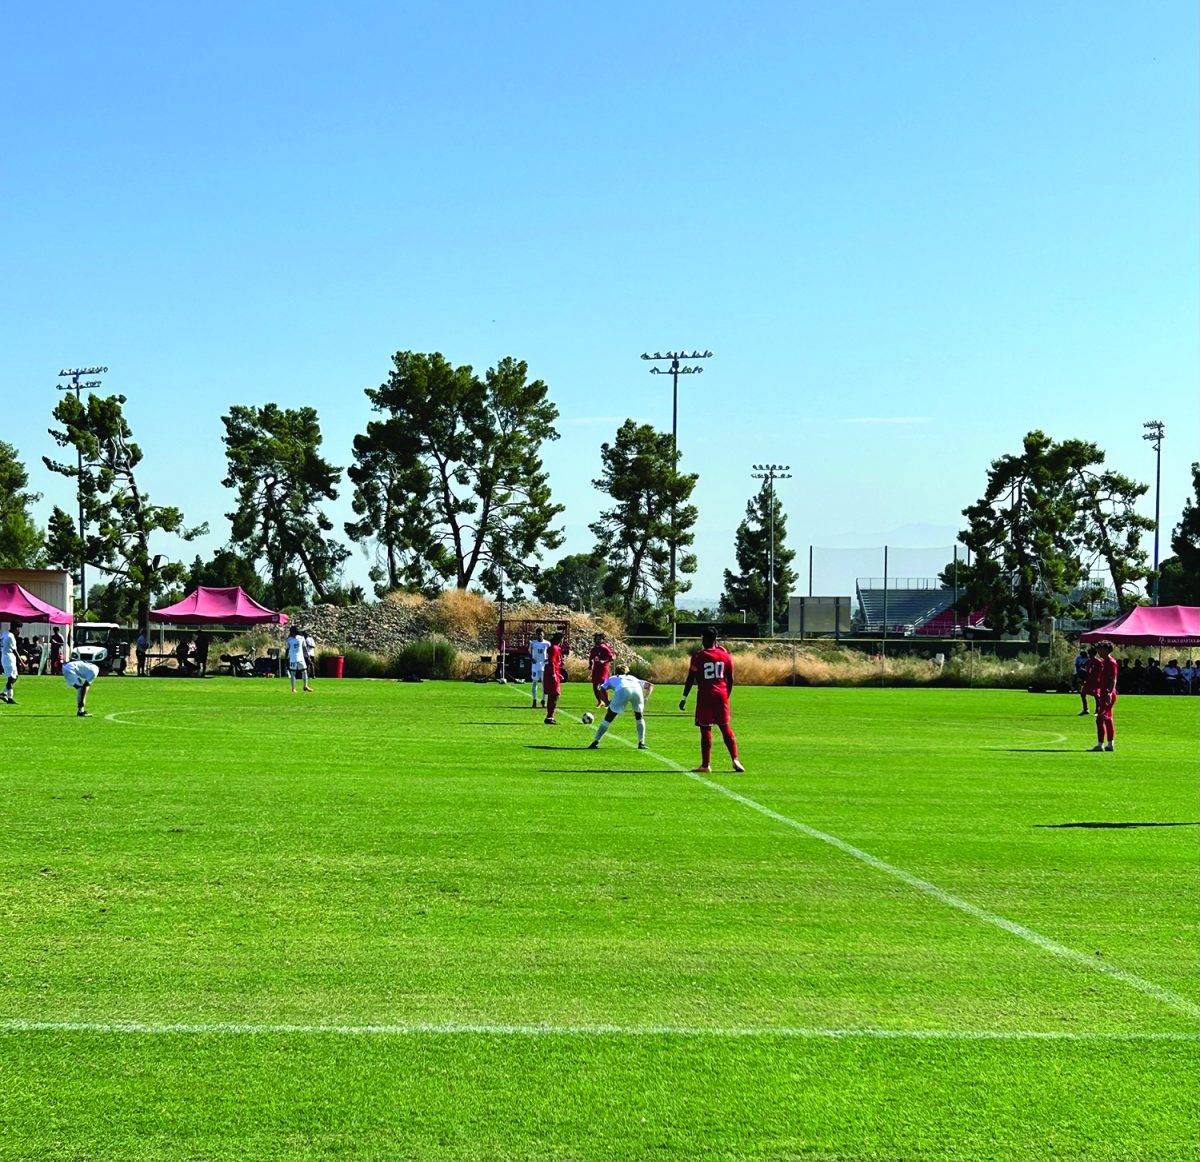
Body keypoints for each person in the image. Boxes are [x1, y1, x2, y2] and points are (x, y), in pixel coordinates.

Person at [679, 626, 745, 773]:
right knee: (724, 726)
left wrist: (684, 697)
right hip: (721, 694)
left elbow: (691, 678)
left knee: (705, 727)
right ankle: (735, 759)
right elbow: (731, 679)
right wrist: (726, 696)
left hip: (705, 695)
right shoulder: (725, 656)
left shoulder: (698, 656)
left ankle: (705, 764)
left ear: (704, 639)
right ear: (716, 639)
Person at [587, 669, 653, 750]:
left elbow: (600, 689)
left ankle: (595, 742)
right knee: (639, 717)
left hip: (623, 689)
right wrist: (646, 698)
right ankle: (641, 743)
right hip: (637, 690)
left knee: (608, 718)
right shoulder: (633, 677)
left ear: (616, 672)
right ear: (626, 672)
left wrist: (606, 702)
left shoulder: (612, 678)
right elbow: (650, 685)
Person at [1089, 639, 1119, 752]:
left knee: (1100, 719)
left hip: (1107, 693)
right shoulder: (1105, 661)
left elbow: (1113, 679)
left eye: (1100, 649)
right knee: (1107, 719)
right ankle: (1110, 744)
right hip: (1105, 693)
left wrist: (1109, 693)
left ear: (1106, 650)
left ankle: (1100, 744)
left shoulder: (1111, 662)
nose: (1098, 651)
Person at [588, 632, 615, 709]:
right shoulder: (594, 649)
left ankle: (607, 702)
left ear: (602, 639)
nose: (598, 640)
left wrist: (604, 661)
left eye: (600, 639)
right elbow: (591, 657)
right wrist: (590, 665)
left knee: (602, 686)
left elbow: (612, 658)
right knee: (594, 687)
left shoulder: (605, 648)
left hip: (603, 670)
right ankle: (600, 701)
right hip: (595, 669)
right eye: (597, 638)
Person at [543, 631, 564, 724]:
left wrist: (558, 674)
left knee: (553, 695)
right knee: (554, 695)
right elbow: (551, 662)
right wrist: (553, 674)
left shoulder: (554, 648)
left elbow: (554, 662)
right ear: (560, 639)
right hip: (551, 674)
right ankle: (549, 717)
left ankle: (549, 717)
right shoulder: (554, 648)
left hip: (553, 673)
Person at [0, 620, 23, 704]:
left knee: (15, 676)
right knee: (11, 678)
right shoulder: (11, 636)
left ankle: (4, 693)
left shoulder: (5, 634)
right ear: (16, 628)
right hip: (9, 658)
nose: (19, 630)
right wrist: (21, 661)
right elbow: (14, 650)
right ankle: (10, 698)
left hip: (5, 657)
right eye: (19, 628)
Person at [286, 627, 312, 693]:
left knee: (304, 671)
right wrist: (286, 658)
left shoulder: (301, 638)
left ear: (293, 632)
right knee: (293, 673)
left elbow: (304, 648)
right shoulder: (289, 640)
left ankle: (305, 686)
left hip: (301, 658)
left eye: (291, 632)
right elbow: (287, 649)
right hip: (293, 658)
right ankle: (293, 688)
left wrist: (308, 656)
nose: (290, 633)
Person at [529, 629, 550, 709]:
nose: (540, 635)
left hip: (544, 665)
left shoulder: (547, 643)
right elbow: (529, 653)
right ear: (536, 635)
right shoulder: (533, 643)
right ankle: (534, 700)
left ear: (543, 634)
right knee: (534, 682)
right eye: (538, 634)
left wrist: (548, 659)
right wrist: (532, 659)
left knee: (544, 683)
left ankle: (543, 700)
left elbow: (550, 653)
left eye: (541, 634)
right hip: (535, 666)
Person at [1078, 647, 1099, 715]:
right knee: (1083, 693)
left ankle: (1098, 711)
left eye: (1090, 654)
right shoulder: (1088, 661)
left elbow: (1101, 671)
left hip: (1096, 680)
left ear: (1094, 654)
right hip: (1088, 680)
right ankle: (1085, 709)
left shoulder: (1098, 662)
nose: (1089, 655)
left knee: (1096, 696)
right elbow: (1083, 667)